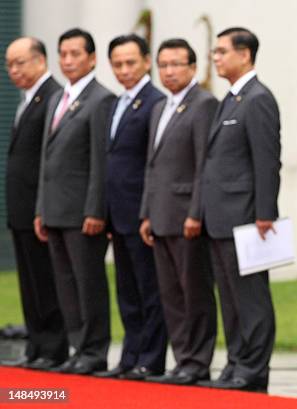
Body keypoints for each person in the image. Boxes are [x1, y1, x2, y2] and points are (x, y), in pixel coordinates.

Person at [200, 27, 280, 392]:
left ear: (244, 54)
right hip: (219, 218)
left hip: (248, 218)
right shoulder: (230, 98)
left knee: (251, 299)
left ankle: (253, 368)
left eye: (221, 52)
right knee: (230, 299)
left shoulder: (258, 98)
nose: (214, 58)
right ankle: (235, 362)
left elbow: (266, 161)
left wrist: (264, 214)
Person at [35, 28, 114, 375]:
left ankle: (94, 351)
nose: (68, 61)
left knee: (88, 283)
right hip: (54, 209)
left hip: (83, 213)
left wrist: (96, 209)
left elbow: (100, 161)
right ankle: (77, 347)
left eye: (75, 54)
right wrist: (41, 207)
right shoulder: (57, 99)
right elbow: (45, 159)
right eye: (63, 54)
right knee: (65, 284)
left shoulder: (100, 99)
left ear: (92, 58)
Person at [139, 38, 218, 385]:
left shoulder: (203, 104)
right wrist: (146, 213)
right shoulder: (160, 107)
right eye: (163, 65)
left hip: (187, 215)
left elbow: (205, 164)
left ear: (192, 68)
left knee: (194, 291)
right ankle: (182, 358)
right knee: (170, 293)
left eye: (176, 64)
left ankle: (198, 361)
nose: (169, 71)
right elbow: (151, 165)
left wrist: (196, 213)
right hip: (159, 214)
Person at [94, 34, 167, 380]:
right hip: (117, 213)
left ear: (145, 61)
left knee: (149, 290)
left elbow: (155, 164)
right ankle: (129, 357)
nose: (123, 70)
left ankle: (149, 360)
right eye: (117, 64)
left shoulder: (156, 102)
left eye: (130, 63)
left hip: (142, 214)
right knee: (127, 291)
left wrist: (149, 211)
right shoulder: (115, 103)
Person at [3, 37, 68, 370]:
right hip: (21, 208)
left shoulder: (54, 96)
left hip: (40, 207)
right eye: (9, 64)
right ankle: (36, 344)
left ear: (40, 61)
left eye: (20, 62)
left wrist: (43, 206)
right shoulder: (27, 99)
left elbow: (49, 158)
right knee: (29, 281)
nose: (14, 70)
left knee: (45, 280)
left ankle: (54, 347)